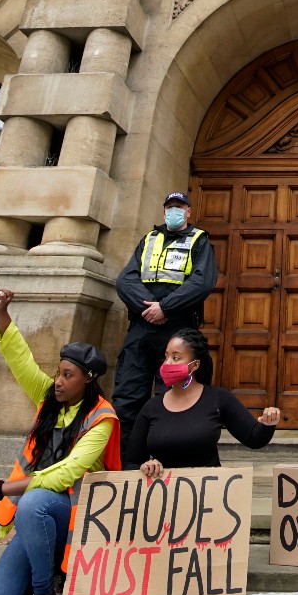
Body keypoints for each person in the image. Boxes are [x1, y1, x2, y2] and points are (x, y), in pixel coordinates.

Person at [0, 288, 120, 595]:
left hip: (75, 519)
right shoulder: (48, 399)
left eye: (68, 375)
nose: (58, 381)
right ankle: (44, 569)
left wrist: (1, 490)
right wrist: (3, 314)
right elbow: (21, 362)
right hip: (34, 523)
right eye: (58, 373)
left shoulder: (102, 417)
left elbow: (68, 472)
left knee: (35, 500)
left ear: (88, 379)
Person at [126, 325, 280, 595]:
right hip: (161, 508)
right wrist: (146, 466)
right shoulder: (151, 408)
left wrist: (268, 424)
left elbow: (253, 438)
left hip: (204, 509)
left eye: (176, 357)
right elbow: (132, 462)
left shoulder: (217, 399)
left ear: (193, 365)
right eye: (166, 357)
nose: (168, 364)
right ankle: (156, 583)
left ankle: (197, 583)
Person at [112, 190, 218, 453]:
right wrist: (149, 307)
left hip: (177, 328)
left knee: (171, 396)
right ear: (163, 211)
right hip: (142, 325)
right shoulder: (149, 238)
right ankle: (128, 461)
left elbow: (202, 281)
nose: (174, 211)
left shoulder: (199, 240)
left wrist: (166, 308)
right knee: (127, 394)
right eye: (170, 206)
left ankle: (167, 461)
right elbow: (126, 279)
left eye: (179, 206)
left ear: (188, 211)